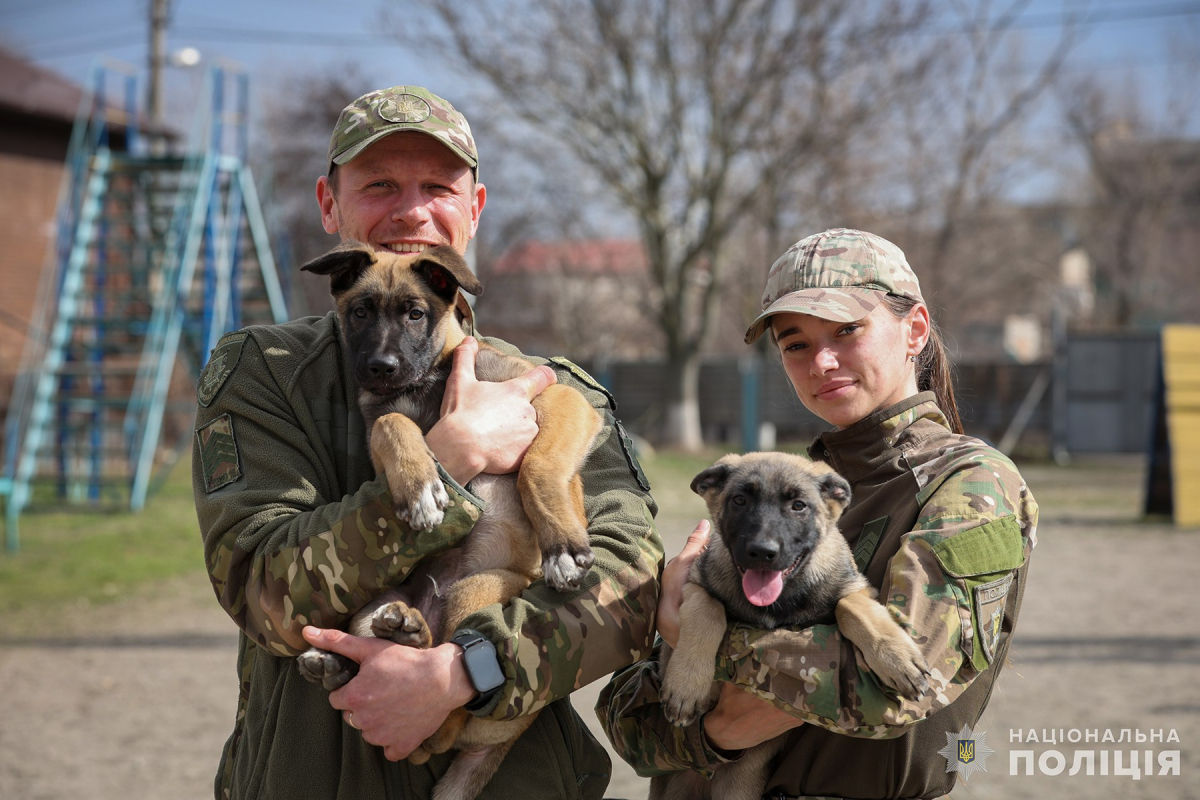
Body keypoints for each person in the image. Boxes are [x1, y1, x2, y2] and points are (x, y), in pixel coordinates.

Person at [192, 85, 663, 800]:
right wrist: (448, 459)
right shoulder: (268, 375)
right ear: (330, 204)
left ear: (472, 210)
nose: (411, 211)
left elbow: (631, 590)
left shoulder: (549, 390)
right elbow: (263, 593)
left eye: (438, 187)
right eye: (379, 184)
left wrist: (467, 671)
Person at [598, 228, 1038, 799]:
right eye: (795, 343)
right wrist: (715, 721)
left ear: (915, 330)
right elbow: (632, 730)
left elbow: (897, 689)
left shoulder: (971, 486)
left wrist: (697, 642)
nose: (822, 361)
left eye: (847, 331)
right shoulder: (781, 488)